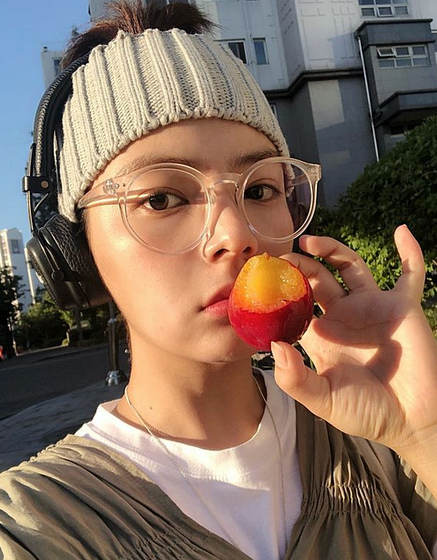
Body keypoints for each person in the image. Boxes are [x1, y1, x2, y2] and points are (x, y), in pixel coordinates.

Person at [1, 1, 437, 558]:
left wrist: (422, 434)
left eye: (260, 190)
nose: (236, 234)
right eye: (162, 198)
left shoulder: (377, 439)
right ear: (77, 254)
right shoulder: (35, 528)